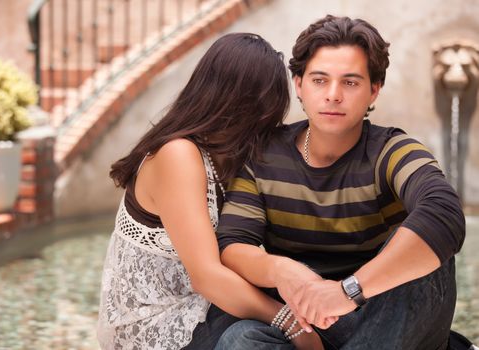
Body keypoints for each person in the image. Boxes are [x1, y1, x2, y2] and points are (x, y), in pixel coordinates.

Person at [215, 15, 467, 350]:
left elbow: (444, 213)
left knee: (429, 258)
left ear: (374, 90)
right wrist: (282, 270)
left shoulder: (392, 150)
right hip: (306, 324)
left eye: (350, 83)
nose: (333, 95)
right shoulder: (263, 156)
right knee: (240, 339)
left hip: (386, 314)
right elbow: (233, 246)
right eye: (320, 80)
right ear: (299, 84)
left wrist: (347, 292)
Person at [97, 33, 324, 350]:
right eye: (265, 108)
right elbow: (206, 276)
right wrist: (295, 328)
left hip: (203, 305)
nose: (268, 122)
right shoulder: (177, 154)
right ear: (238, 102)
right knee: (292, 323)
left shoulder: (224, 156)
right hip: (161, 327)